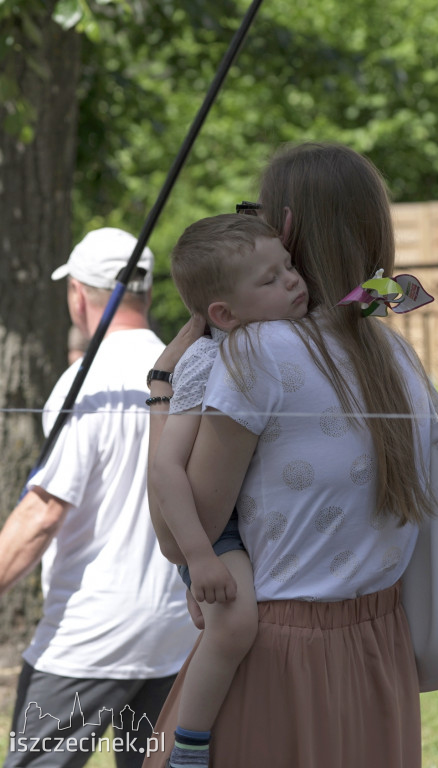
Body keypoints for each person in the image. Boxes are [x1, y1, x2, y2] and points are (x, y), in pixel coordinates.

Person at [145, 142, 436, 768]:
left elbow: (178, 535)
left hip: (282, 654)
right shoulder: (396, 356)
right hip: (381, 648)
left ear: (286, 227)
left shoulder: (259, 353)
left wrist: (164, 387)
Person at [0, 227, 199, 768]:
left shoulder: (82, 384)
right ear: (148, 292)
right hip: (174, 636)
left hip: (88, 642)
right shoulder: (186, 372)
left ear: (78, 293)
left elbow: (43, 512)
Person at [147, 214, 309, 768]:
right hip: (209, 526)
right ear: (223, 314)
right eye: (270, 280)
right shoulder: (204, 360)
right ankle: (187, 743)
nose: (292, 281)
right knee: (235, 621)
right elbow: (168, 468)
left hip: (245, 510)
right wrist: (198, 558)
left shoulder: (276, 340)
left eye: (290, 266)